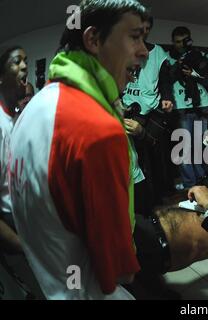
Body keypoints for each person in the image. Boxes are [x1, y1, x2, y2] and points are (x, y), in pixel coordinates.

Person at [8, 0, 149, 299]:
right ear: (93, 39)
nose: (144, 51)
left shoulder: (38, 105)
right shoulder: (98, 129)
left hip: (47, 282)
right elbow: (122, 270)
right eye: (135, 36)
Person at [122, 15, 175, 211]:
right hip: (126, 109)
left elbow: (166, 79)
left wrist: (167, 97)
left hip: (150, 111)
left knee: (153, 157)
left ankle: (154, 198)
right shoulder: (123, 49)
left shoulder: (158, 52)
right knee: (132, 157)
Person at [167, 26, 208, 190]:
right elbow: (166, 80)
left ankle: (202, 181)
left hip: (201, 106)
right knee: (184, 148)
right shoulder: (168, 57)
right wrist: (177, 65)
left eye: (184, 41)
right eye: (178, 42)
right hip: (181, 108)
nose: (181, 45)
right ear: (173, 42)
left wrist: (193, 73)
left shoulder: (199, 56)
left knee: (200, 147)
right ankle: (189, 185)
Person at [0, 46, 27, 254]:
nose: (24, 66)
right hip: (12, 231)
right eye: (16, 62)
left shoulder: (15, 119)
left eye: (25, 61)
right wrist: (24, 248)